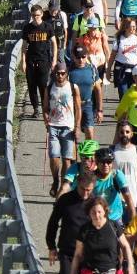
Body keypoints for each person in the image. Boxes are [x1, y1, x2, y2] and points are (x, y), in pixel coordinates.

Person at [67, 196, 135, 274]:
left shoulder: (114, 226)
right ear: (88, 213)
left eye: (99, 211)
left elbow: (125, 246)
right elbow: (77, 255)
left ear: (105, 211)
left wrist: (130, 265)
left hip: (113, 273)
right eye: (93, 212)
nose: (96, 215)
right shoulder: (85, 230)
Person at [47, 168, 96, 274]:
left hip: (88, 254)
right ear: (78, 184)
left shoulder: (96, 203)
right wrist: (51, 246)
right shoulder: (66, 200)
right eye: (83, 189)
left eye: (89, 190)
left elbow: (103, 229)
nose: (85, 194)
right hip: (68, 251)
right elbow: (53, 223)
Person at [44, 62, 82, 197]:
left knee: (67, 159)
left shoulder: (73, 87)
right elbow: (45, 108)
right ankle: (55, 180)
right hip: (54, 126)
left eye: (62, 73)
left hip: (68, 127)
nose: (60, 76)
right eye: (57, 73)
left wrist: (77, 127)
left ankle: (63, 186)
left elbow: (78, 108)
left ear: (67, 74)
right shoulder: (49, 88)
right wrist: (46, 119)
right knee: (54, 157)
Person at [22, 4, 58, 117]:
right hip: (31, 60)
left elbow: (54, 43)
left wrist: (54, 60)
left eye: (37, 15)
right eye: (33, 15)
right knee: (31, 86)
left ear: (42, 14)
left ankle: (44, 108)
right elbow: (24, 46)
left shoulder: (47, 27)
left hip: (44, 60)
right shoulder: (27, 28)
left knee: (43, 85)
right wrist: (23, 62)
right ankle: (35, 109)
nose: (35, 17)